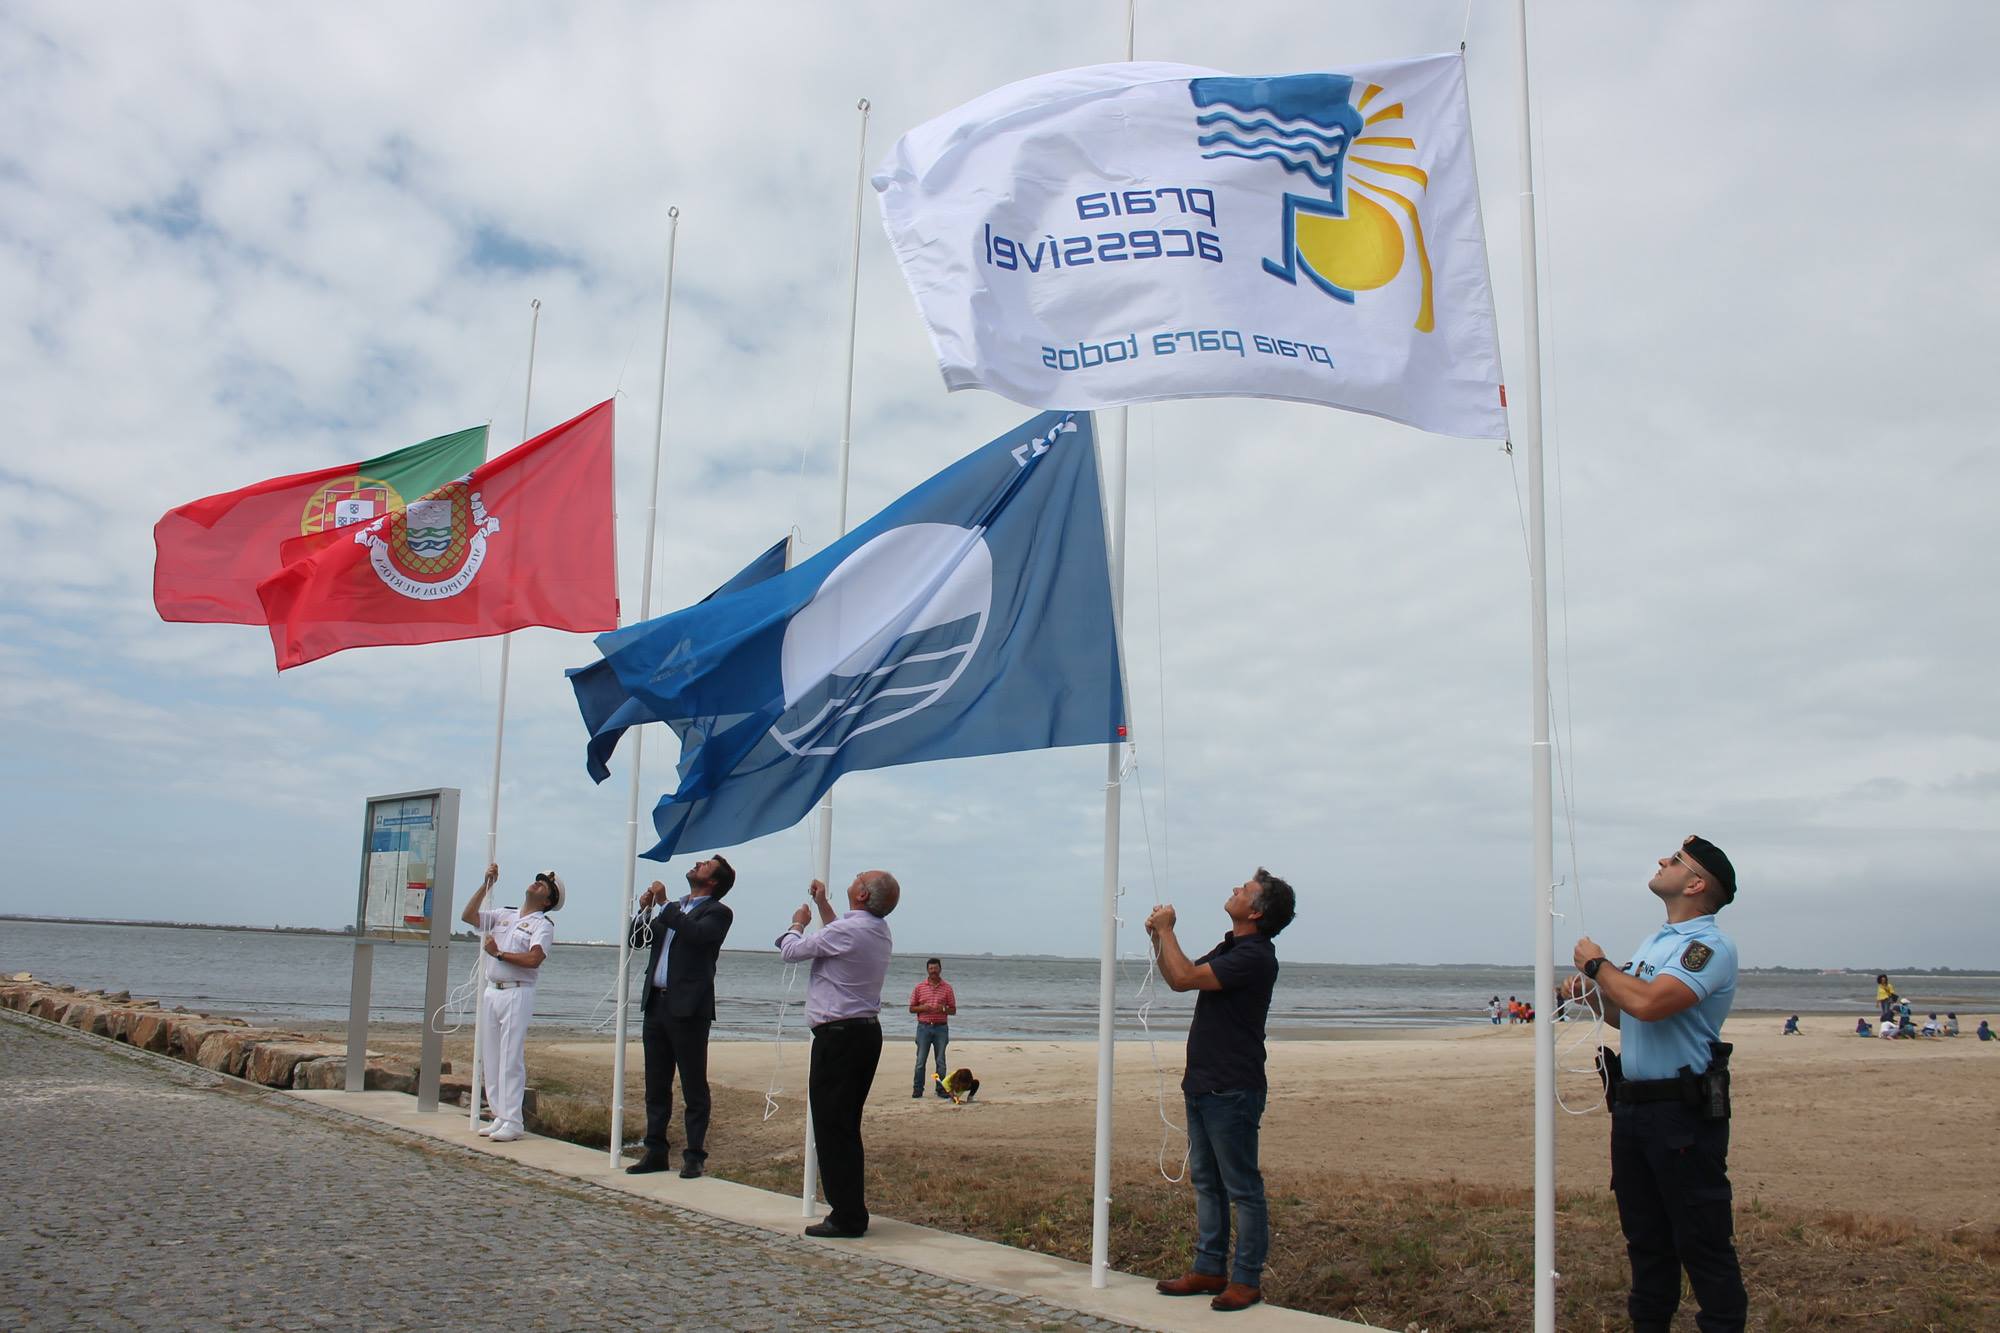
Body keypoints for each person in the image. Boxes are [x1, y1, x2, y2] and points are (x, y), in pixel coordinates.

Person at [1564, 835, 1746, 1333]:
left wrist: (1598, 966)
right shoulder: (1656, 943)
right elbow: (1631, 1015)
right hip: (1633, 1112)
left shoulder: (1708, 947)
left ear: (1695, 883)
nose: (1663, 861)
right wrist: (1592, 994)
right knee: (1646, 1244)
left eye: (1676, 859)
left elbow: (1650, 1003)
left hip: (1680, 1115)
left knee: (1703, 1243)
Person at [1146, 867, 1298, 1315]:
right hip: (1203, 1082)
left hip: (1233, 1087)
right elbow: (1179, 976)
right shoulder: (1231, 946)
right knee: (1207, 1183)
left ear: (1256, 911)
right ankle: (1209, 1268)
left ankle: (1245, 1280)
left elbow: (1185, 978)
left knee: (1242, 1188)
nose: (1235, 889)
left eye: (1245, 889)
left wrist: (1167, 930)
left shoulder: (1255, 956)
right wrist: (1158, 938)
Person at [776, 870, 899, 1239]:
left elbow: (791, 952)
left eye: (860, 877)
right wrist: (823, 904)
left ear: (862, 894)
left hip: (840, 1037)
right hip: (863, 1034)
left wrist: (797, 923)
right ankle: (850, 1209)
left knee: (833, 1127)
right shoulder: (875, 929)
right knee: (844, 1124)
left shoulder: (850, 930)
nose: (856, 876)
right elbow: (838, 937)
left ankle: (846, 1215)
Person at [626, 856, 735, 1179]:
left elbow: (696, 934)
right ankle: (655, 1151)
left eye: (705, 865)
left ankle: (694, 1154)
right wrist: (646, 910)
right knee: (656, 1083)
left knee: (693, 1084)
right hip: (656, 1005)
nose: (697, 863)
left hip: (689, 1009)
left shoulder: (717, 912)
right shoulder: (672, 908)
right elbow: (637, 940)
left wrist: (663, 905)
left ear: (713, 882)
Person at [460, 862, 561, 1144]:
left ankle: (514, 1120)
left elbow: (534, 958)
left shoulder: (542, 925)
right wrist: (487, 885)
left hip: (517, 991)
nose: (537, 883)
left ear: (548, 900)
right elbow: (468, 916)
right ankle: (500, 1115)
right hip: (492, 990)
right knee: (491, 1057)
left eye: (544, 885)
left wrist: (499, 954)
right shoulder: (504, 914)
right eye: (537, 880)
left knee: (510, 1057)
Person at [908, 957, 958, 1099]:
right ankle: (918, 1089)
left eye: (935, 968)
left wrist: (943, 1009)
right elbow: (911, 1008)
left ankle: (941, 1089)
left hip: (941, 1028)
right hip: (923, 1028)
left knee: (940, 1062)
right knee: (920, 1061)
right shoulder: (919, 987)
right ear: (927, 970)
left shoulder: (947, 988)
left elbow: (953, 1010)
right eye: (931, 968)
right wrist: (923, 1008)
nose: (933, 971)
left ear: (940, 969)